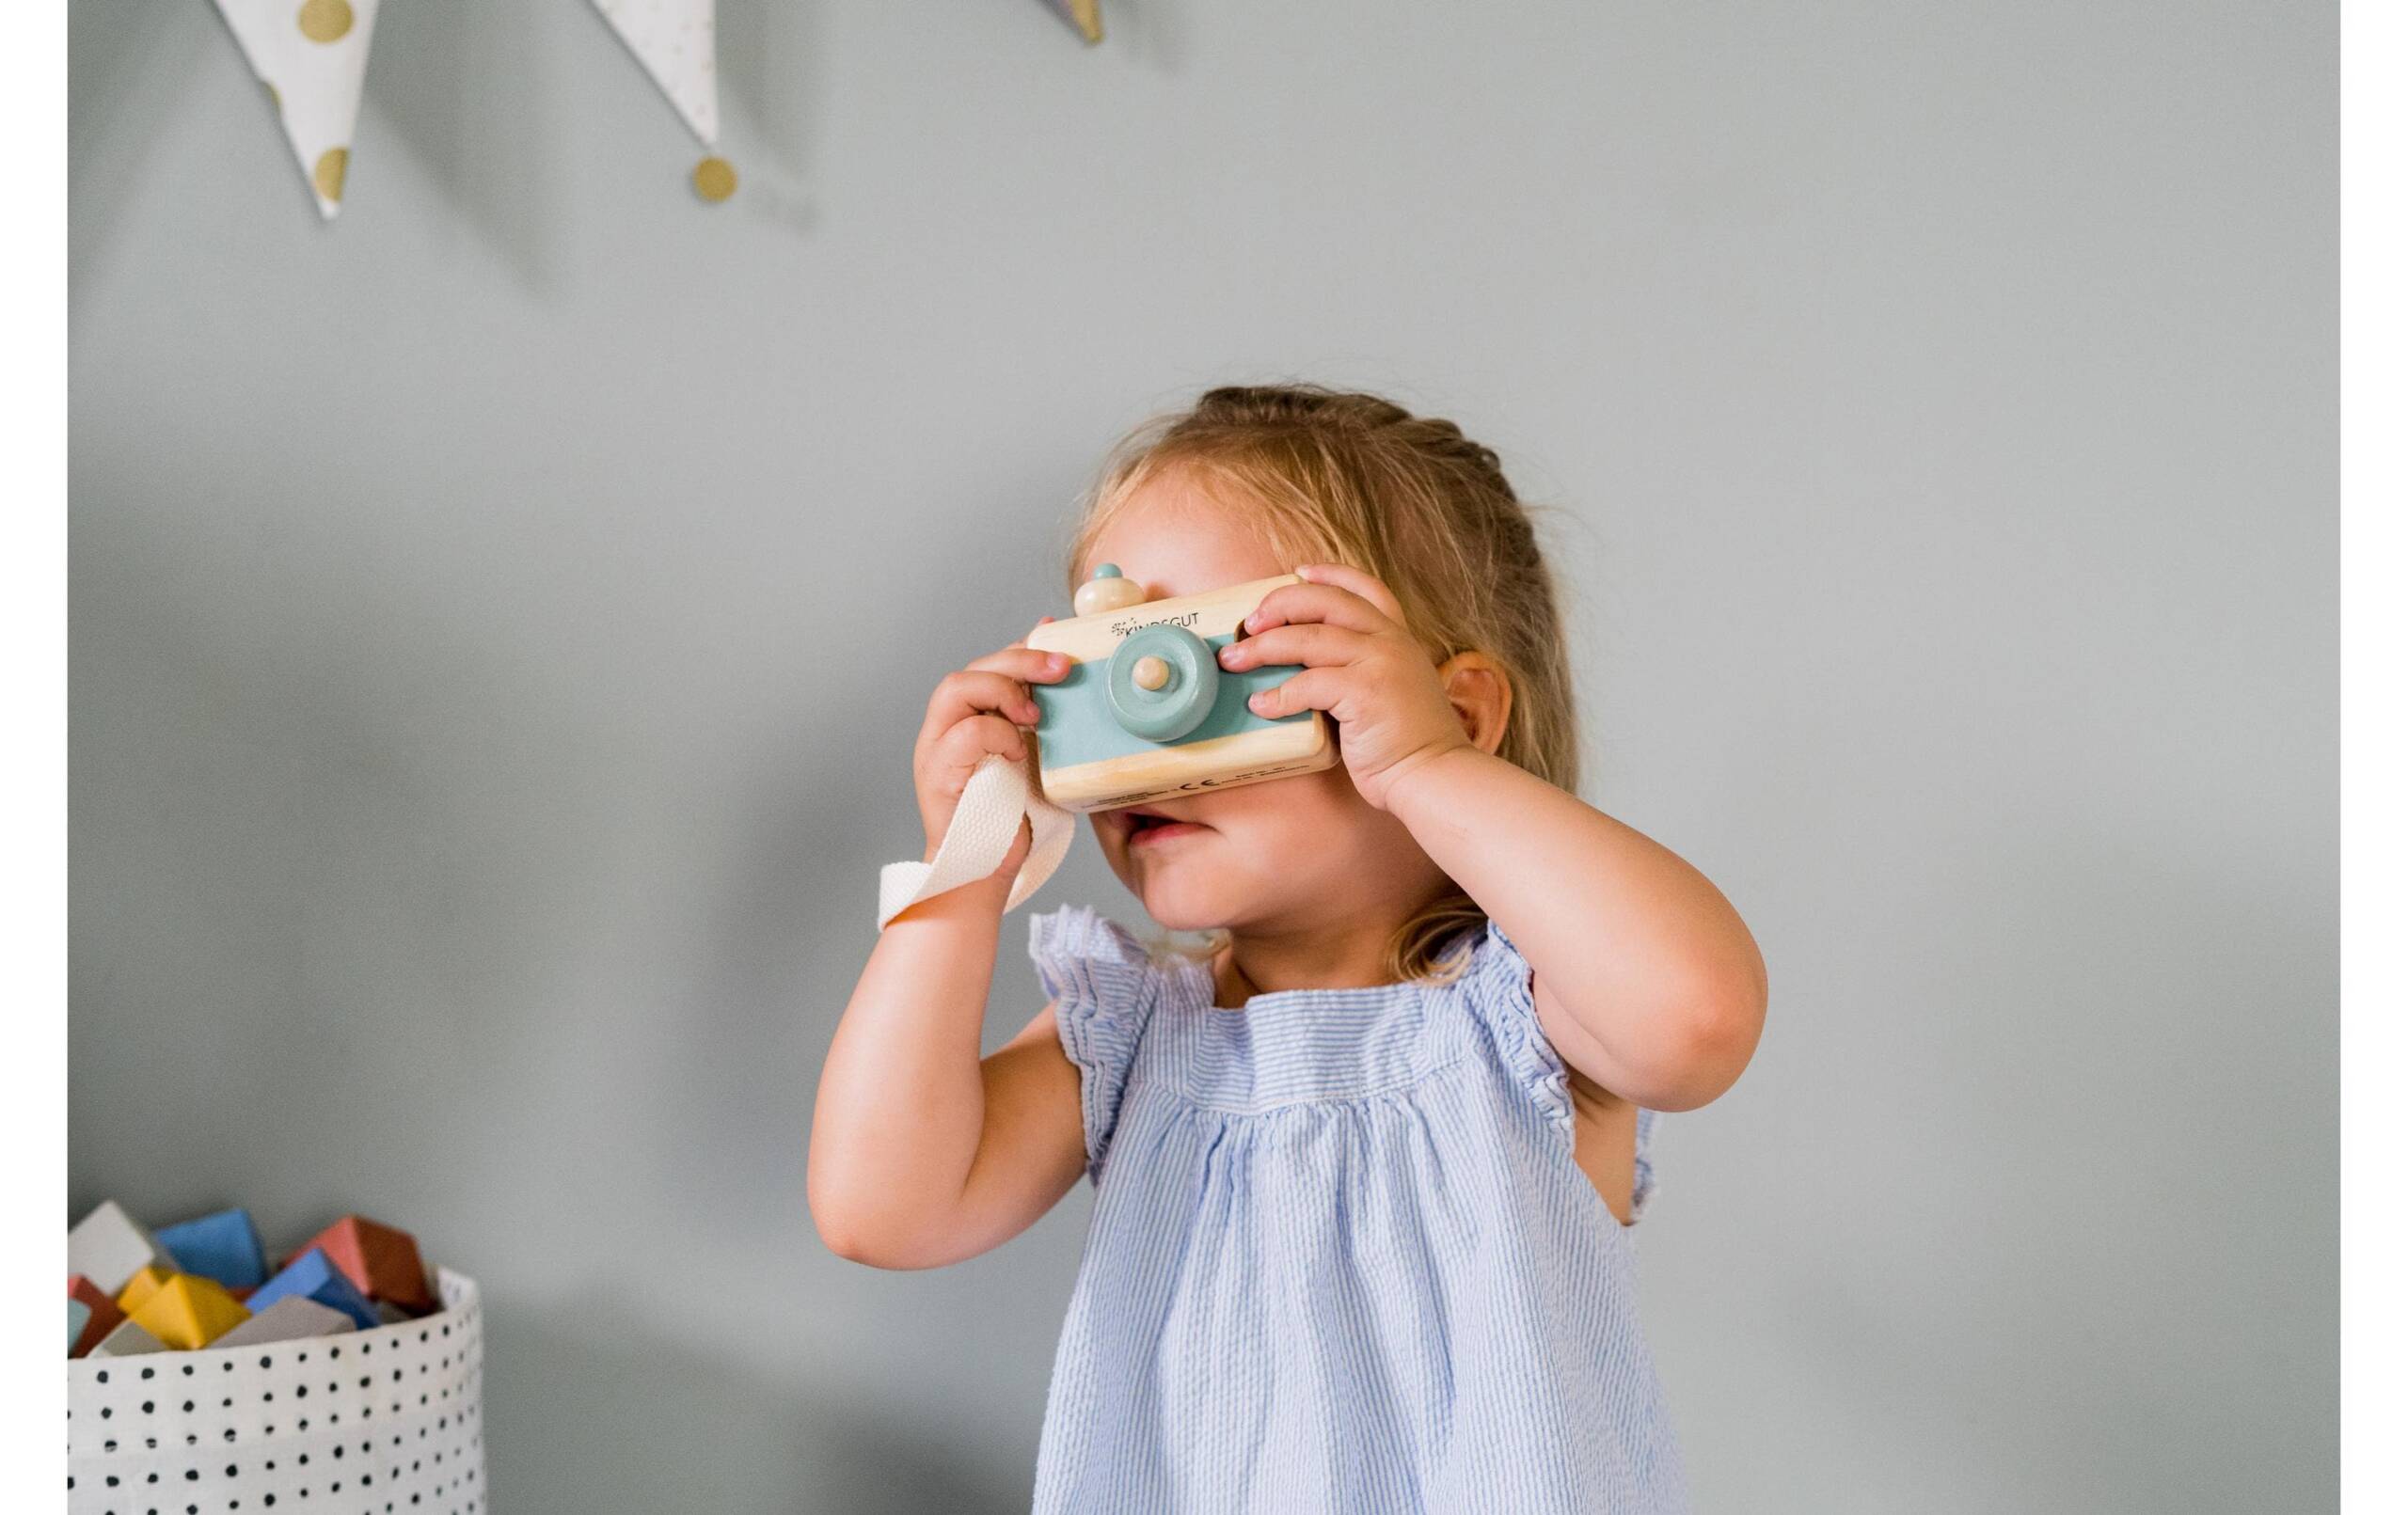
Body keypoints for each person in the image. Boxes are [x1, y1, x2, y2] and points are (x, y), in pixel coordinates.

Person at [810, 383, 1767, 1513]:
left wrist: (1426, 770)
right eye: (1112, 664)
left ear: (1454, 711)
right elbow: (883, 1209)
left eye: (1220, 658)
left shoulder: (1529, 1011)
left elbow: (1696, 1021)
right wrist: (965, 871)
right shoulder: (1133, 1034)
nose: (1154, 713)